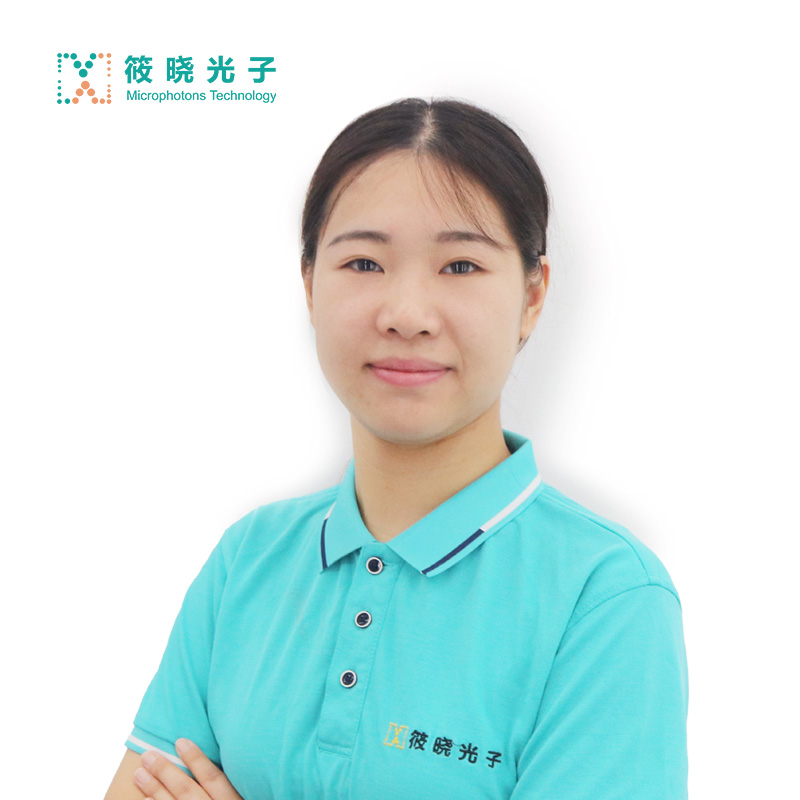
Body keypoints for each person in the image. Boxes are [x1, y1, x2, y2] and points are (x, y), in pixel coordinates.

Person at [104, 97, 689, 800]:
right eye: (364, 262)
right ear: (308, 283)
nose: (407, 316)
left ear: (533, 295)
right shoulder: (248, 560)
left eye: (460, 266)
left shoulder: (605, 596)